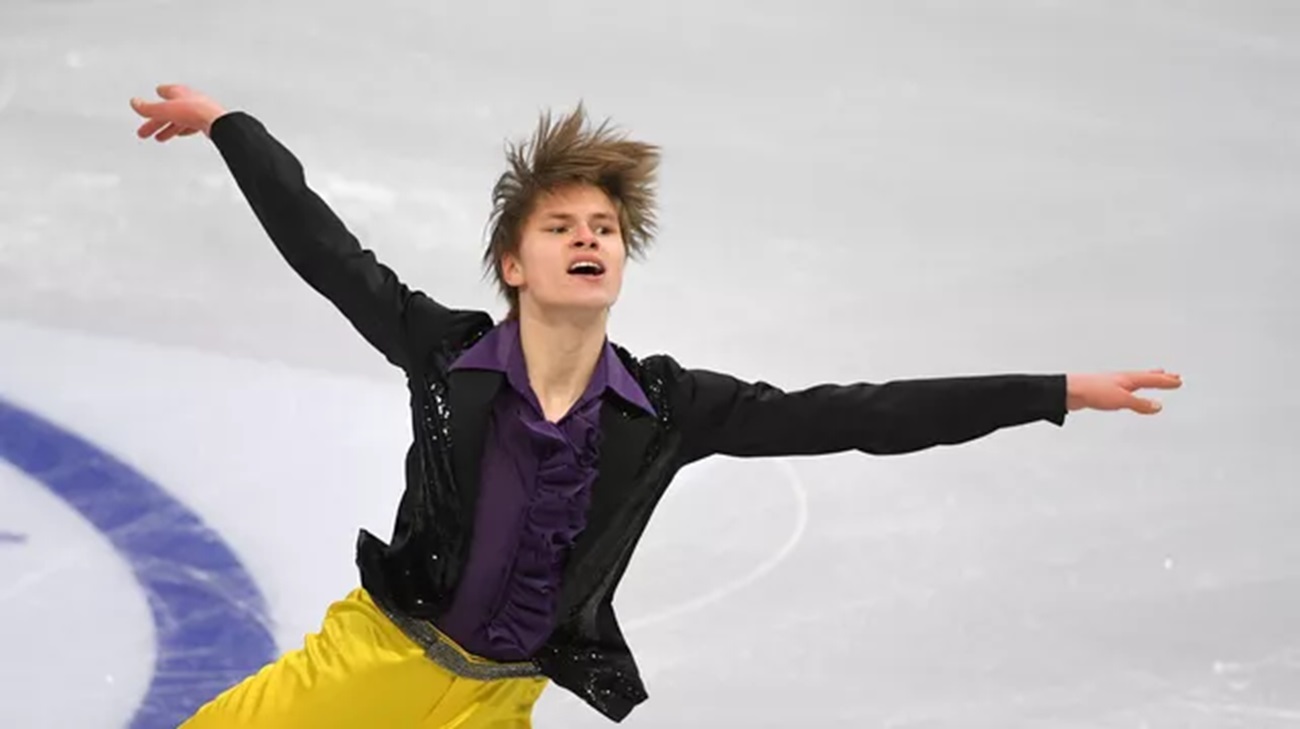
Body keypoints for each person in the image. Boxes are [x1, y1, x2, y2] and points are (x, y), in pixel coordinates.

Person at [128, 83, 1182, 728]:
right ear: (513, 263)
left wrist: (1051, 393)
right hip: (373, 661)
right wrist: (226, 124)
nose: (588, 238)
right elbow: (327, 252)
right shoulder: (447, 355)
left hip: (498, 701)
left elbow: (854, 415)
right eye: (561, 227)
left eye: (603, 229)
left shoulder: (667, 407)